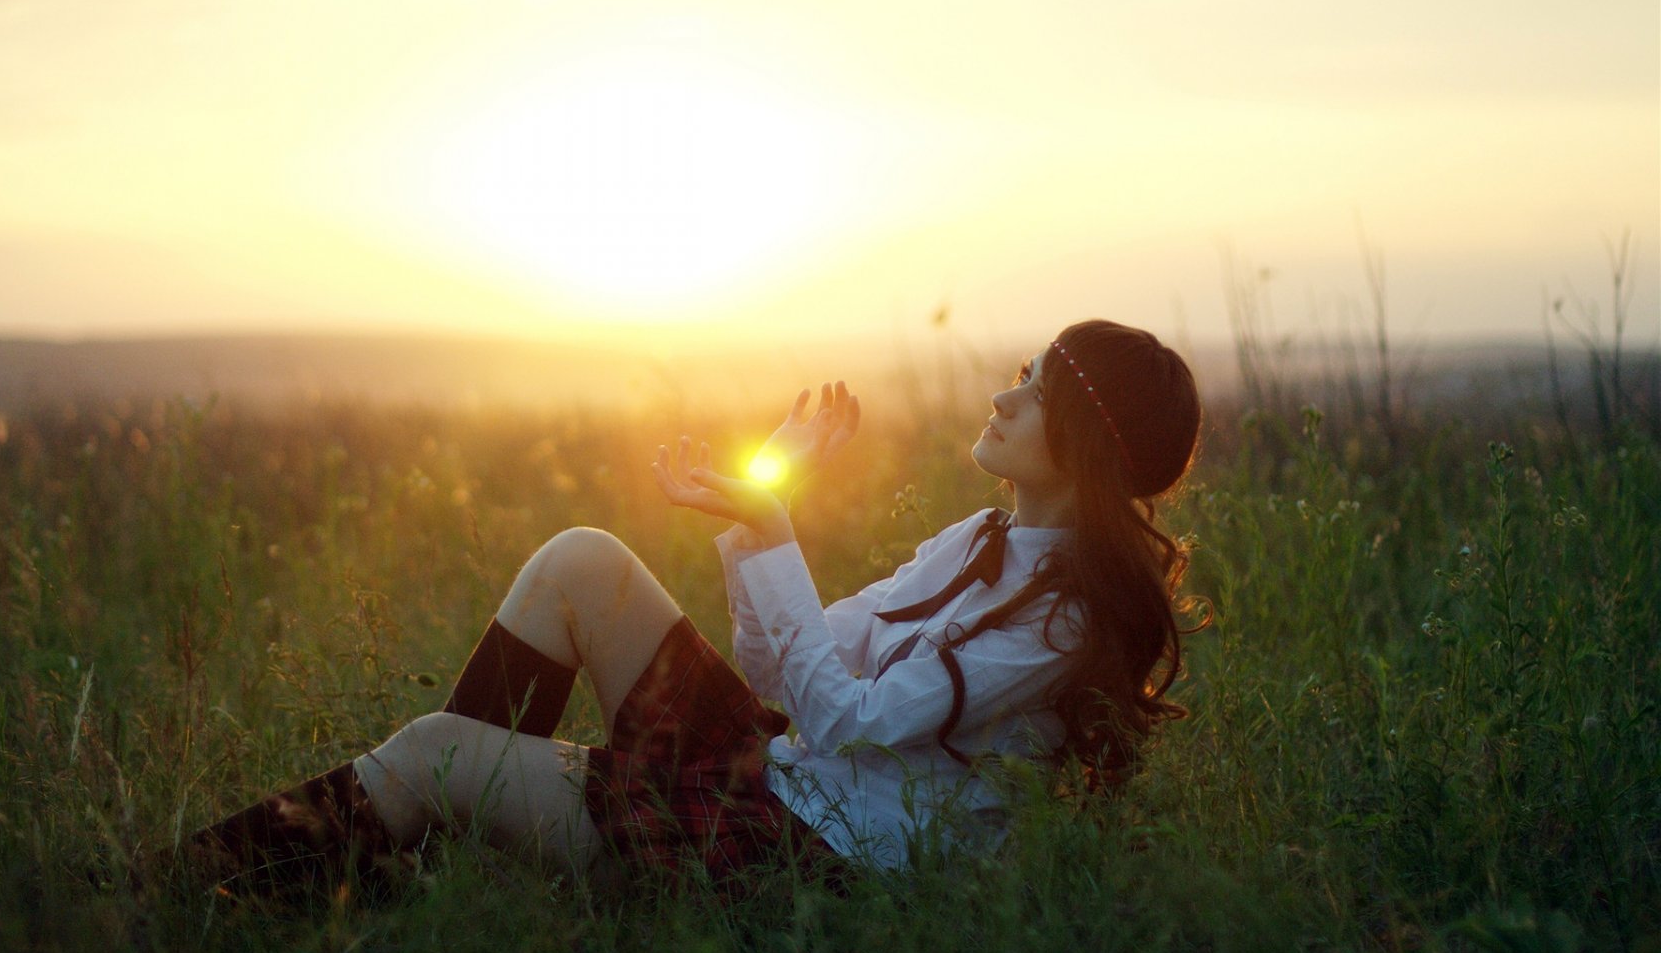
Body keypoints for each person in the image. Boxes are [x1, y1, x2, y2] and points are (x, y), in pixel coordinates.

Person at [174, 318, 1202, 897]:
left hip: (801, 860)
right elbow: (779, 681)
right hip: (778, 778)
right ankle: (419, 854)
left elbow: (842, 716)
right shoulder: (974, 541)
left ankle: (161, 898)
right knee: (583, 557)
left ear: (1084, 440)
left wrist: (776, 525)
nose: (1002, 394)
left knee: (429, 750)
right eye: (1018, 373)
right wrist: (766, 513)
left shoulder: (1063, 623)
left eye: (1033, 389)